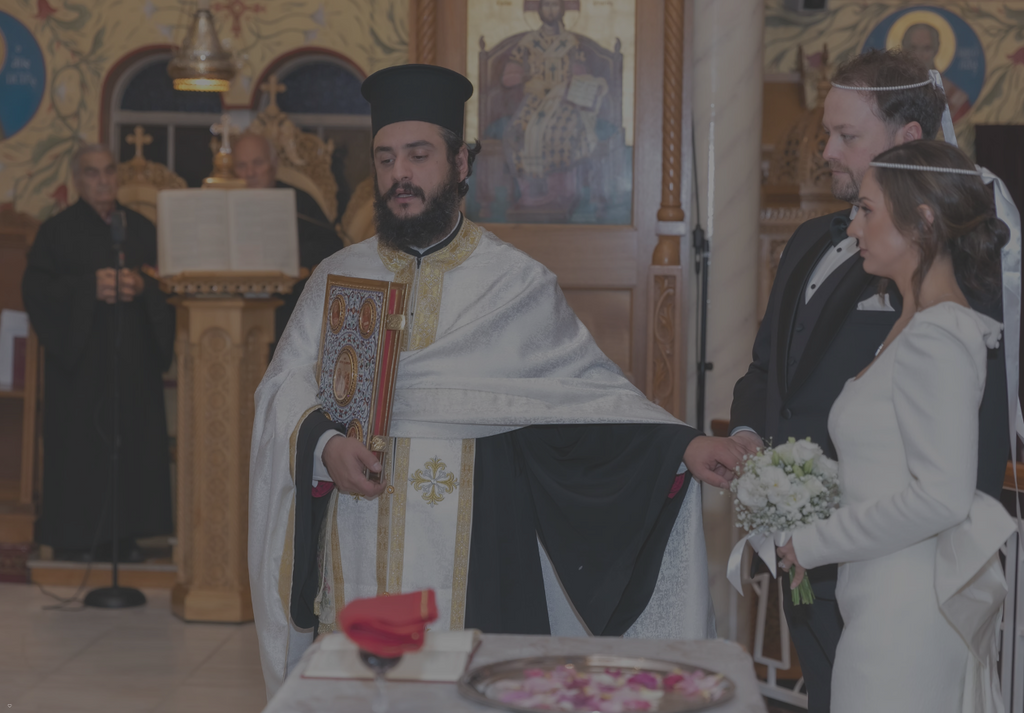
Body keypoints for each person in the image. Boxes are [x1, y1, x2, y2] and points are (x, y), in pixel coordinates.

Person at [248, 63, 743, 697]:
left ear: (460, 163)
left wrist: (680, 447)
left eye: (419, 155)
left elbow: (584, 406)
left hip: (478, 548)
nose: (400, 175)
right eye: (386, 158)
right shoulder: (337, 277)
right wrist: (323, 445)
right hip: (352, 541)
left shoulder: (514, 283)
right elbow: (281, 390)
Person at [728, 49, 1008, 712]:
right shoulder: (815, 241)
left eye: (847, 136)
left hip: (896, 568)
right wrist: (757, 448)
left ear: (908, 143)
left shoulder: (942, 282)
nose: (826, 150)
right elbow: (774, 370)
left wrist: (819, 539)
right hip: (837, 563)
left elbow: (964, 448)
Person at [776, 139, 1015, 712]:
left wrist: (812, 540)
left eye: (866, 209)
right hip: (879, 600)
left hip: (906, 618)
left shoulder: (938, 335)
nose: (854, 227)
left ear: (921, 221)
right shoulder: (908, 326)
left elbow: (940, 497)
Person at [23, 144, 175, 562]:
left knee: (130, 446)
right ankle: (76, 538)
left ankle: (125, 536)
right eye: (92, 173)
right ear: (77, 179)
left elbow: (171, 288)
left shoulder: (141, 229)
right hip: (79, 369)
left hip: (133, 366)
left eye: (109, 171)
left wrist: (143, 289)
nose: (103, 180)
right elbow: (36, 291)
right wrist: (90, 288)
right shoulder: (56, 232)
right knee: (80, 449)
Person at [232, 132, 343, 339]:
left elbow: (332, 245)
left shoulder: (297, 202)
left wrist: (287, 255)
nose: (249, 173)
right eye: (241, 166)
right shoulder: (223, 203)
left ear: (274, 164)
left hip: (287, 304)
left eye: (258, 163)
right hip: (232, 301)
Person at [500, 0, 607, 209]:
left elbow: (581, 75)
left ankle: (560, 194)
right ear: (538, 9)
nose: (550, 10)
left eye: (555, 5)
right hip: (534, 100)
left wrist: (568, 85)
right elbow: (508, 77)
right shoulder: (528, 43)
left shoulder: (570, 42)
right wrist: (526, 75)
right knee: (516, 133)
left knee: (559, 133)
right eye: (546, 5)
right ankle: (530, 192)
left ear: (562, 9)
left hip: (564, 100)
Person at [901, 23, 971, 121]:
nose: (919, 55)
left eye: (926, 48)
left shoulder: (956, 98)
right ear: (904, 49)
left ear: (936, 49)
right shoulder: (892, 90)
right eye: (913, 48)